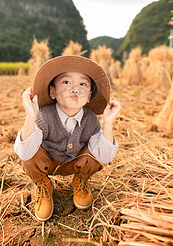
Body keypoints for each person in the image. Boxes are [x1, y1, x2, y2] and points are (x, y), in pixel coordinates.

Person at [14, 55, 121, 222]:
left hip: (76, 163)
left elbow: (104, 156)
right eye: (66, 82)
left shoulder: (91, 120)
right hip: (47, 164)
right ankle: (43, 185)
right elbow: (24, 152)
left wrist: (108, 122)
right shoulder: (44, 117)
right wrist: (30, 116)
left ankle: (81, 180)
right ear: (52, 92)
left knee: (99, 148)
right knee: (28, 155)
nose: (75, 89)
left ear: (89, 96)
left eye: (83, 84)